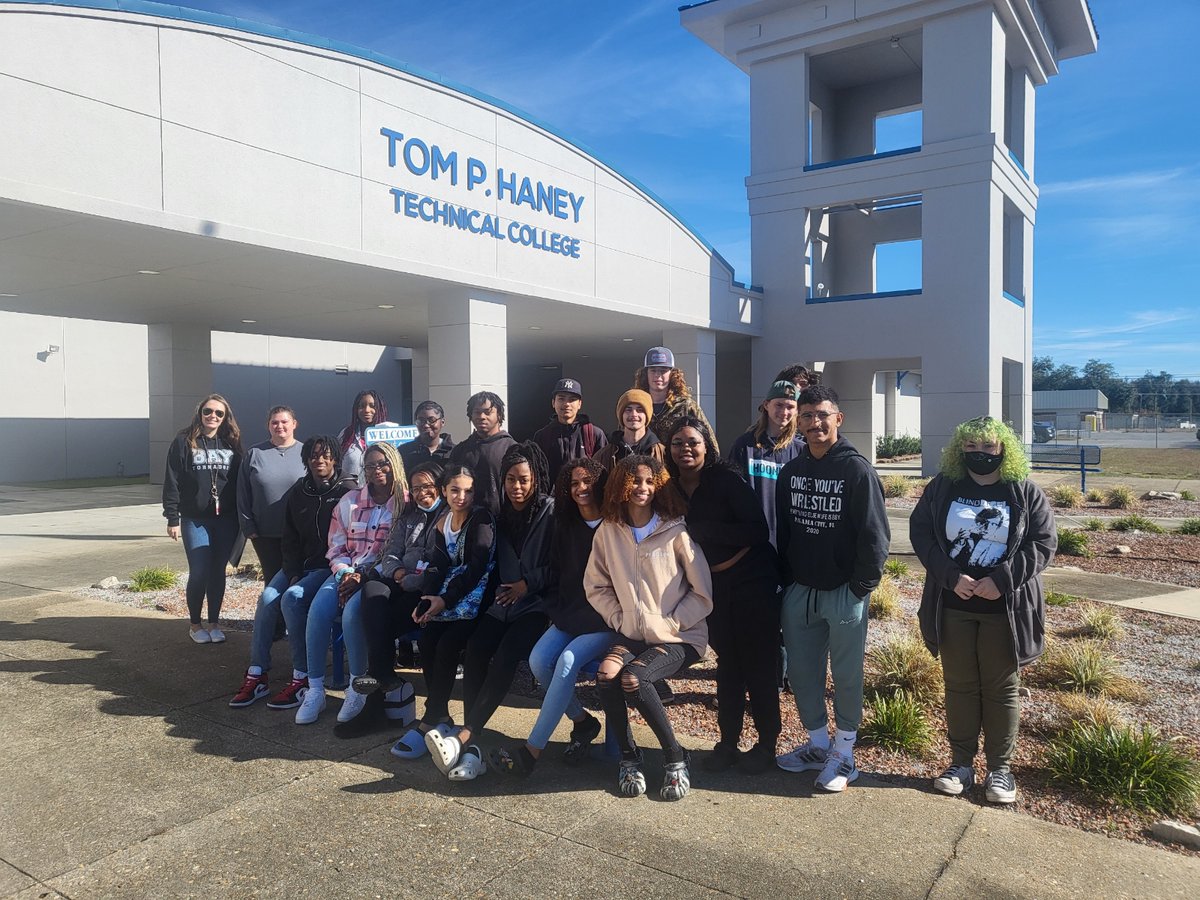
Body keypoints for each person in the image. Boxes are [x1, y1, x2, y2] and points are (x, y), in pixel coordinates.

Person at [911, 416, 1057, 805]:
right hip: (953, 604)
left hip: (1004, 610)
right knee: (958, 685)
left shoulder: (1023, 491)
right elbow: (921, 533)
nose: (980, 454)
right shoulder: (943, 488)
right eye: (971, 447)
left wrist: (1002, 581)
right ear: (960, 450)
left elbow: (1043, 543)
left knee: (1001, 688)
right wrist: (949, 576)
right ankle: (960, 764)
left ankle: (1000, 770)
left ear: (1003, 449)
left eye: (988, 446)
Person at [774, 385, 890, 791]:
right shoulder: (791, 472)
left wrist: (860, 587)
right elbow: (785, 532)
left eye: (822, 415)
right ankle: (818, 745)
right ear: (798, 422)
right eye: (806, 416)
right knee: (803, 673)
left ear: (838, 419)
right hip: (801, 590)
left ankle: (844, 754)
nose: (815, 423)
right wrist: (788, 581)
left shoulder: (857, 471)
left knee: (846, 674)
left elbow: (875, 536)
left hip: (844, 591)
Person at [584, 455, 713, 801]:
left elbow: (702, 593)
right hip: (632, 633)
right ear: (621, 485)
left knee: (633, 679)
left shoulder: (675, 531)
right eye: (635, 481)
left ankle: (676, 757)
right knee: (607, 675)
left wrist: (670, 623)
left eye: (649, 481)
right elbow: (595, 586)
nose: (643, 488)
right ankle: (629, 758)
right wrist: (620, 618)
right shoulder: (608, 532)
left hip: (680, 635)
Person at [425, 443, 555, 781]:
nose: (517, 487)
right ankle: (473, 748)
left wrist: (528, 584)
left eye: (524, 480)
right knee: (476, 650)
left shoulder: (550, 512)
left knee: (507, 655)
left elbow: (561, 564)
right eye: (511, 479)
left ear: (536, 479)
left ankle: (466, 736)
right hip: (502, 604)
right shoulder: (499, 517)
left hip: (536, 605)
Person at [666, 417, 781, 775]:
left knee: (759, 665)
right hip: (711, 588)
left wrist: (703, 531)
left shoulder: (727, 480)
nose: (685, 449)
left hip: (752, 580)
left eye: (693, 442)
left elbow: (757, 530)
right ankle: (728, 743)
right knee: (728, 665)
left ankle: (766, 746)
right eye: (677, 443)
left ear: (707, 446)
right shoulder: (668, 488)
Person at [492, 457, 614, 776]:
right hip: (570, 613)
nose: (580, 488)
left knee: (567, 661)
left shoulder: (616, 525)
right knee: (539, 661)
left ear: (600, 484)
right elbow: (557, 573)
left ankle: (531, 751)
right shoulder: (566, 524)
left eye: (587, 481)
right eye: (574, 483)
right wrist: (554, 607)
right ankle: (583, 722)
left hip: (607, 620)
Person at [230, 435, 354, 709]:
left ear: (335, 458)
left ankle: (303, 677)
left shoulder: (347, 490)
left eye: (325, 455)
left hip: (328, 566)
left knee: (292, 598)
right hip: (300, 564)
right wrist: (293, 570)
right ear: (306, 459)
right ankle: (257, 673)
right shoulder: (300, 490)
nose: (319, 460)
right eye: (314, 455)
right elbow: (289, 537)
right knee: (268, 597)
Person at [388, 465, 497, 760]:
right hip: (450, 597)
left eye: (468, 491)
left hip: (478, 599)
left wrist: (445, 600)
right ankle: (441, 715)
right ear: (444, 491)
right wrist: (427, 600)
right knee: (427, 640)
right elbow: (437, 566)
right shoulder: (443, 521)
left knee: (448, 644)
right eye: (455, 490)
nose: (462, 496)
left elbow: (476, 568)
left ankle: (430, 717)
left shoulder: (481, 520)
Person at [294, 442, 406, 725]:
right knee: (318, 610)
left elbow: (401, 551)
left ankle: (358, 689)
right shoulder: (350, 501)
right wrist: (345, 574)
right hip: (346, 574)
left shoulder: (405, 503)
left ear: (394, 464)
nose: (377, 470)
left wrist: (363, 577)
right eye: (370, 465)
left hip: (378, 578)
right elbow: (336, 546)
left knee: (353, 614)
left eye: (383, 463)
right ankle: (315, 690)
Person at [345, 459, 449, 734]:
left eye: (427, 486)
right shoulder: (408, 517)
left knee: (379, 623)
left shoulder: (450, 516)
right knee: (372, 591)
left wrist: (412, 580)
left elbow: (442, 563)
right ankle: (383, 679)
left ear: (440, 486)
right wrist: (400, 572)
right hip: (400, 580)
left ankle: (376, 695)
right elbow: (390, 553)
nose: (422, 493)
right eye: (415, 488)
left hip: (427, 590)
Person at [162, 393, 243, 644]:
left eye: (219, 413)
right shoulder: (184, 442)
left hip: (226, 520)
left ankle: (214, 624)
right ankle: (195, 625)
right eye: (208, 411)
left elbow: (240, 482)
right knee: (199, 571)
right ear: (200, 413)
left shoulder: (231, 444)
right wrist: (172, 517)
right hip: (195, 519)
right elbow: (172, 480)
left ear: (225, 417)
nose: (212, 416)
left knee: (217, 572)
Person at [726, 380, 805, 548]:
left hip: (789, 543)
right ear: (766, 405)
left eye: (790, 407)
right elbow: (730, 493)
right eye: (779, 405)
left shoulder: (801, 451)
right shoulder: (745, 445)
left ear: (797, 410)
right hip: (752, 542)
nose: (784, 412)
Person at [237, 406, 305, 587]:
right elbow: (243, 492)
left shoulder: (306, 452)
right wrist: (247, 525)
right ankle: (272, 607)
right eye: (274, 422)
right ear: (268, 426)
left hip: (299, 533)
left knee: (297, 580)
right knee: (272, 581)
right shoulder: (254, 454)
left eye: (284, 422)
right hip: (265, 533)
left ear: (294, 424)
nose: (279, 426)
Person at [633, 346, 717, 451]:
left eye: (663, 371)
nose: (658, 375)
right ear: (645, 374)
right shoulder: (635, 406)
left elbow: (710, 441)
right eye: (653, 370)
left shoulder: (686, 406)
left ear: (672, 374)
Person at [448, 391, 515, 515]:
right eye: (477, 412)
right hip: (465, 519)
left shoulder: (512, 448)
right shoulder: (460, 450)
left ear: (499, 415)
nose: (481, 416)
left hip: (502, 520)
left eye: (487, 412)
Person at [532, 377, 607, 483]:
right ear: (553, 402)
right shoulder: (542, 436)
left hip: (584, 492)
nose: (566, 404)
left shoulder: (594, 434)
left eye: (572, 400)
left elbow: (604, 473)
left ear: (579, 404)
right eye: (561, 399)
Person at [592, 389, 665, 471]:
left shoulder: (661, 453)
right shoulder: (604, 455)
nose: (634, 414)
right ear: (621, 415)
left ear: (647, 415)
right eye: (628, 410)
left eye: (639, 410)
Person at [339, 389, 388, 487]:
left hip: (379, 492)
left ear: (379, 409)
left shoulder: (388, 434)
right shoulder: (346, 434)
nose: (366, 410)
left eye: (372, 406)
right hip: (349, 492)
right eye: (361, 406)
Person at [399, 401, 455, 473]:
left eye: (431, 420)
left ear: (442, 422)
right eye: (421, 420)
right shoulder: (404, 452)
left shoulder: (454, 452)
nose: (426, 425)